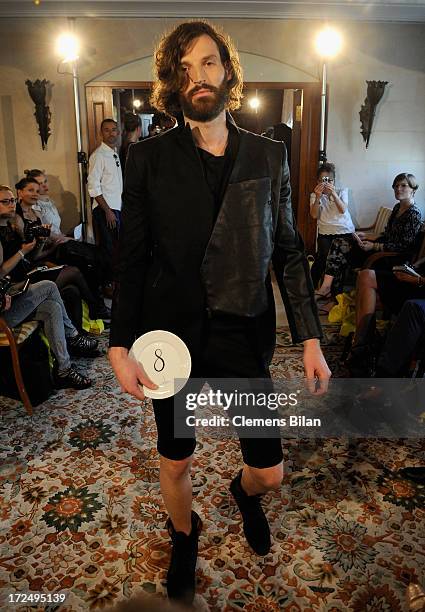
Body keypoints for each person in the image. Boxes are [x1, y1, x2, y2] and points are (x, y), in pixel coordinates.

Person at [108, 21, 330, 606]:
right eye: (183, 69)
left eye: (207, 63)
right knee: (175, 462)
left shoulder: (269, 155)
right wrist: (117, 344)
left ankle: (243, 494)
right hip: (170, 337)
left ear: (227, 72)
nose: (196, 77)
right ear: (170, 84)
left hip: (242, 331)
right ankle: (185, 537)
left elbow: (287, 250)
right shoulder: (147, 159)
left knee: (269, 471)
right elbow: (131, 258)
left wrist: (309, 337)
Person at [0, 185, 96, 388]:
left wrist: (39, 243)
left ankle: (63, 370)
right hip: (4, 310)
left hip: (15, 290)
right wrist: (22, 253)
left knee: (52, 307)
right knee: (48, 286)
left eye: (12, 201)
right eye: (5, 201)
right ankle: (75, 336)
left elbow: (29, 259)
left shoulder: (10, 228)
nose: (11, 205)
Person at [14, 178, 109, 330]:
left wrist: (49, 242)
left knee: (86, 262)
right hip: (33, 264)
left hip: (44, 255)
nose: (35, 194)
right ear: (19, 192)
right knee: (75, 265)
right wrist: (50, 245)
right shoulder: (16, 219)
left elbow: (42, 244)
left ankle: (98, 304)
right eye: (30, 190)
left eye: (37, 191)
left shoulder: (36, 213)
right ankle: (97, 308)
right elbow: (31, 256)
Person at [315, 173, 422, 302]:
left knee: (342, 251)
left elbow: (404, 246)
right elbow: (387, 234)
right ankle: (333, 293)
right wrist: (367, 235)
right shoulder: (398, 207)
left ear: (413, 189)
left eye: (403, 185)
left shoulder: (413, 213)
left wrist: (374, 246)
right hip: (382, 248)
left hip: (391, 257)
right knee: (339, 244)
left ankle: (331, 293)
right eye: (396, 186)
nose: (398, 189)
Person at [87, 118, 123, 283]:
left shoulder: (113, 153)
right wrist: (107, 211)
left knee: (116, 249)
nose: (111, 133)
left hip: (116, 208)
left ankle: (114, 282)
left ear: (118, 132)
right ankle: (106, 284)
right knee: (107, 249)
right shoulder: (98, 155)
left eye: (114, 129)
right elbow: (93, 186)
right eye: (107, 130)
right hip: (105, 210)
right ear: (101, 133)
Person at [309, 162, 354, 288]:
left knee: (336, 258)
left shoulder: (342, 191)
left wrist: (333, 193)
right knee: (322, 256)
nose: (326, 183)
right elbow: (314, 215)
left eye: (330, 180)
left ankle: (331, 288)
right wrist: (318, 197)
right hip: (325, 233)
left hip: (344, 232)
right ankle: (311, 286)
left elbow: (343, 209)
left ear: (334, 181)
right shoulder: (314, 195)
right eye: (323, 180)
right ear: (318, 181)